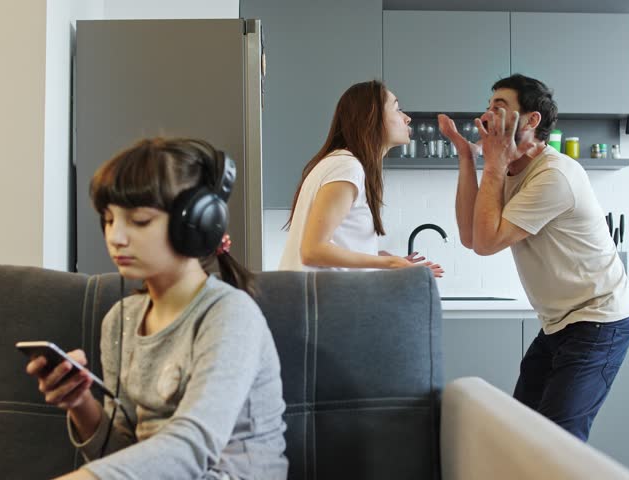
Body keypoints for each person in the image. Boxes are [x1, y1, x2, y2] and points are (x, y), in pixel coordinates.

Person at [25, 138, 288, 479]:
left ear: (195, 224)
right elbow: (125, 458)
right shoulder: (121, 319)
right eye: (108, 220)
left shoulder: (230, 315)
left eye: (139, 221)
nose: (116, 237)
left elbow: (193, 446)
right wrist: (80, 404)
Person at [438, 74, 629, 441]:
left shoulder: (554, 175)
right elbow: (470, 236)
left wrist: (493, 164)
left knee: (559, 441)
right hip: (561, 323)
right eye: (488, 107)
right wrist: (468, 157)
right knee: (525, 434)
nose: (487, 117)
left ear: (531, 121)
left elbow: (486, 242)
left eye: (500, 109)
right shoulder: (511, 169)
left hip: (598, 320)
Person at [278, 80, 443, 277]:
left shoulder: (344, 164)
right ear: (371, 117)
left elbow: (333, 246)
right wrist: (391, 263)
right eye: (398, 109)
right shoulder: (346, 167)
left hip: (315, 301)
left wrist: (380, 258)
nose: (406, 118)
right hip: (318, 303)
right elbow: (313, 251)